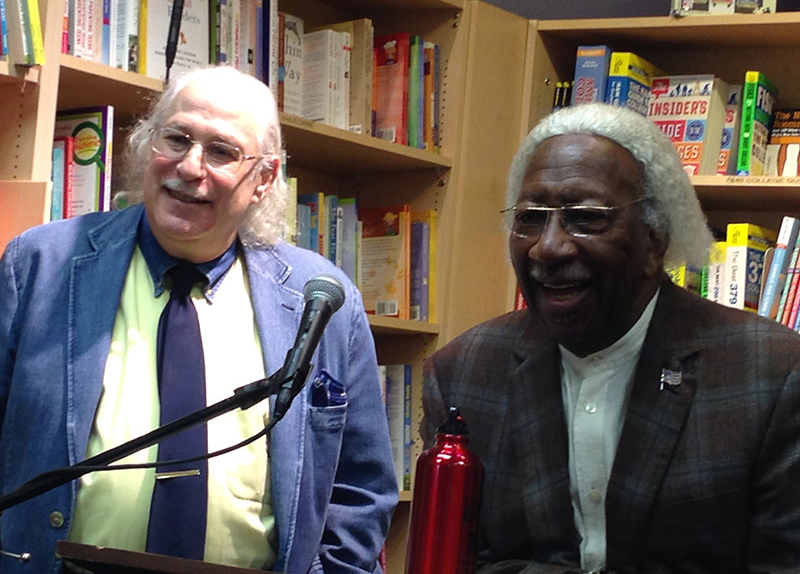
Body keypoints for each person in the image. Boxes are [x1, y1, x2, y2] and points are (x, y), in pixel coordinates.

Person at [0, 66, 397, 574]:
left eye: (221, 152)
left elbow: (360, 490)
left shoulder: (320, 299)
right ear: (147, 145)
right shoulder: (40, 264)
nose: (190, 167)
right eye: (177, 138)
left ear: (264, 179)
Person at [422, 102, 800, 573]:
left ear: (654, 239)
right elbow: (448, 562)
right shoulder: (463, 372)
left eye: (585, 217)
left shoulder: (772, 374)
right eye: (531, 217)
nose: (549, 246)